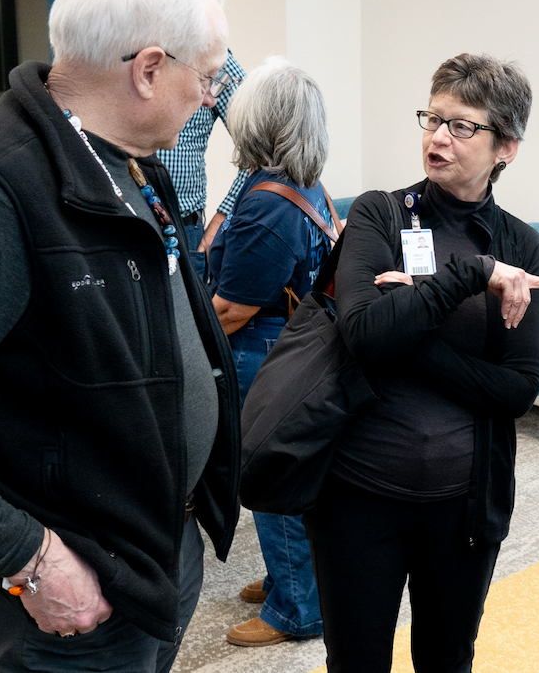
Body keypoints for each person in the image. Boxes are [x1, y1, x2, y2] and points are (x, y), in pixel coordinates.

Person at [0, 0, 242, 671]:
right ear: (149, 69)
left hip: (148, 553)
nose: (211, 96)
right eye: (209, 73)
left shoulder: (130, 160)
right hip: (66, 600)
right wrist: (31, 558)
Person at [303, 53, 539, 671]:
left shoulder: (520, 246)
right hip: (358, 498)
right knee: (355, 663)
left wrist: (410, 327)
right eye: (432, 118)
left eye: (461, 125)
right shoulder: (378, 214)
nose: (437, 137)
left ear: (507, 147)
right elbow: (364, 334)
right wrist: (470, 278)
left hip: (462, 508)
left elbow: (517, 391)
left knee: (446, 662)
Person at [208, 56, 330, 647]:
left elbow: (233, 308)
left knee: (268, 476)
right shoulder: (300, 185)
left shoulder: (267, 201)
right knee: (289, 474)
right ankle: (292, 576)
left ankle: (297, 607)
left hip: (263, 353)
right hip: (291, 350)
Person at [156, 51, 248, 281]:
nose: (209, 99)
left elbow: (262, 145)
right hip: (124, 223)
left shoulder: (215, 56)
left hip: (183, 231)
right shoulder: (131, 45)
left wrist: (222, 219)